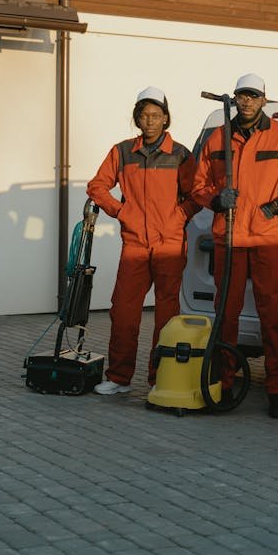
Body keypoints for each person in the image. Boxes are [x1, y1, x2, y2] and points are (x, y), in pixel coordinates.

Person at [191, 73, 278, 418]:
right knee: (225, 315)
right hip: (229, 238)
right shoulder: (219, 138)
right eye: (241, 96)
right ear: (235, 99)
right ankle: (223, 383)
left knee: (271, 316)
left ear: (264, 99)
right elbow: (196, 184)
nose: (246, 101)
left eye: (252, 96)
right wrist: (216, 199)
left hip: (267, 237)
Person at [87, 86, 199, 394]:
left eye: (155, 115)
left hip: (169, 244)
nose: (149, 121)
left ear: (165, 118)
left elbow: (198, 194)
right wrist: (122, 212)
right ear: (137, 118)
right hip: (135, 243)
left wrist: (179, 216)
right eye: (144, 115)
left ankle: (159, 380)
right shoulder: (122, 151)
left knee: (166, 316)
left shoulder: (180, 154)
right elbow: (97, 186)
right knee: (123, 310)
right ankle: (119, 378)